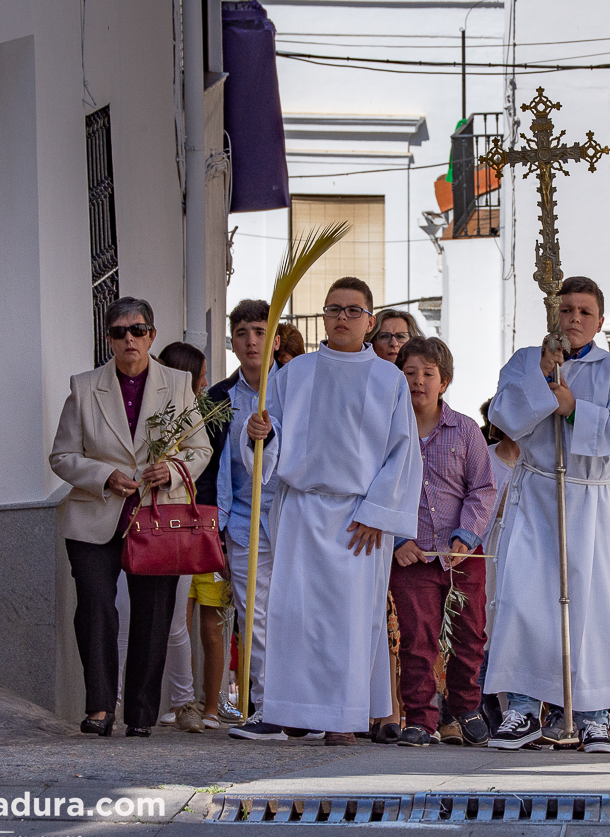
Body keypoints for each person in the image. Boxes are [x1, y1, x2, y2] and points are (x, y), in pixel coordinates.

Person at [232, 277, 423, 744]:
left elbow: (403, 452)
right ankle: (292, 710)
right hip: (300, 508)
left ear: (370, 322)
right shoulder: (293, 373)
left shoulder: (389, 380)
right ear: (323, 316)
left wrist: (378, 513)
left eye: (353, 310)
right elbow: (269, 435)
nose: (342, 317)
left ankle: (343, 717)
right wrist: (259, 435)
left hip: (358, 518)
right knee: (294, 617)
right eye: (334, 309)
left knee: (349, 621)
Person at [484, 276, 610, 753]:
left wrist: (575, 409)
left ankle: (594, 715)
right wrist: (540, 376)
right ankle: (523, 709)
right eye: (566, 309)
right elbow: (503, 416)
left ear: (600, 321)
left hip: (591, 500)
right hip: (537, 496)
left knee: (593, 606)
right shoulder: (524, 361)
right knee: (525, 600)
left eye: (584, 312)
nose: (574, 319)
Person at [49, 298, 212, 737]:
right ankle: (101, 707)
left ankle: (141, 715)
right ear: (108, 339)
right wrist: (103, 475)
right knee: (96, 608)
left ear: (152, 336)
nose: (129, 339)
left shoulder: (177, 384)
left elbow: (200, 448)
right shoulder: (84, 387)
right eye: (119, 332)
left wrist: (172, 470)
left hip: (157, 518)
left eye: (138, 330)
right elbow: (62, 456)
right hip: (95, 517)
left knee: (154, 615)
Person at [389, 337, 496, 748]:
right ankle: (420, 718)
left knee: (471, 634)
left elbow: (482, 489)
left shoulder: (465, 430)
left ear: (444, 382)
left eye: (428, 374)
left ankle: (465, 708)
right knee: (418, 639)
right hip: (412, 556)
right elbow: (377, 490)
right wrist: (398, 540)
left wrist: (465, 537)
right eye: (409, 372)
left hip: (461, 556)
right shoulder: (387, 431)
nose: (418, 381)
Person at [198, 301, 284, 737]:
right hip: (242, 521)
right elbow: (210, 466)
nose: (252, 341)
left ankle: (306, 707)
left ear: (276, 340)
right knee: (254, 617)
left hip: (292, 518)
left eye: (260, 332)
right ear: (232, 343)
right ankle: (267, 707)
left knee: (295, 612)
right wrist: (215, 527)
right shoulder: (218, 399)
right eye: (243, 333)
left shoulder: (294, 388)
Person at [150, 342, 218, 732]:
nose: (205, 383)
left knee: (178, 620)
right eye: (201, 376)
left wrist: (172, 470)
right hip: (137, 519)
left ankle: (185, 702)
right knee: (125, 616)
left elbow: (202, 456)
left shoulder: (194, 413)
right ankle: (115, 702)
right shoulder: (152, 405)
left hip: (182, 524)